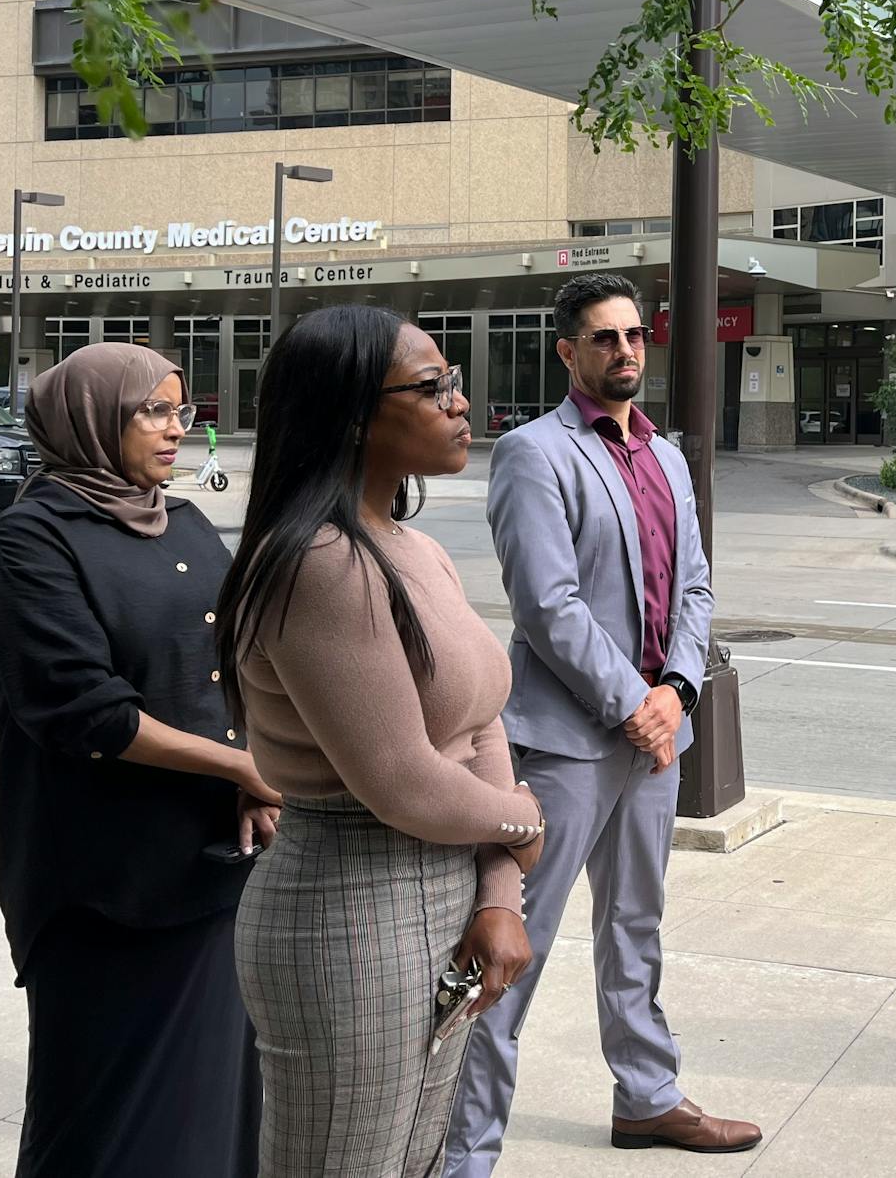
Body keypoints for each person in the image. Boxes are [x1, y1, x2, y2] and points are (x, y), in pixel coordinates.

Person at [444, 273, 761, 1174]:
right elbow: (547, 605)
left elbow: (695, 588)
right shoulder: (533, 454)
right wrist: (634, 705)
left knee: (635, 925)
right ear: (569, 352)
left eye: (635, 335)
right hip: (567, 745)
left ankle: (648, 1097)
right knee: (514, 947)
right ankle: (464, 1152)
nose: (627, 350)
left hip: (656, 736)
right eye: (606, 337)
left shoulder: (665, 458)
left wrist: (679, 693)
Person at [219, 306, 544, 1178]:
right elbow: (401, 780)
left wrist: (501, 891)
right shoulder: (316, 563)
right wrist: (519, 824)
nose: (461, 403)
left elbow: (480, 724)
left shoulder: (416, 550)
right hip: (351, 909)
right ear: (353, 413)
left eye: (455, 382)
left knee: (415, 1162)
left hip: (446, 892)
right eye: (434, 387)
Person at [0, 343, 277, 1178]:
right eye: (156, 412)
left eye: (184, 412)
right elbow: (86, 710)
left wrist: (244, 769)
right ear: (92, 420)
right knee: (104, 1113)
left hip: (208, 863)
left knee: (208, 1108)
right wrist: (234, 768)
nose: (179, 430)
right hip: (102, 876)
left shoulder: (186, 522)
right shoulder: (30, 542)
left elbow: (233, 663)